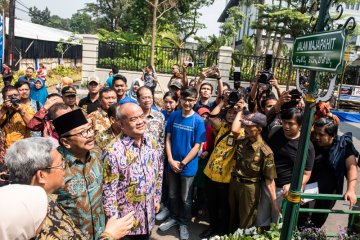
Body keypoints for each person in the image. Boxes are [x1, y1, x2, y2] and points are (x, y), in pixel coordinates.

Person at [6, 137, 135, 240]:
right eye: (61, 164)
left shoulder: (37, 201)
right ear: (41, 175)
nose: (65, 169)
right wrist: (110, 235)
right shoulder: (37, 217)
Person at [102, 103, 163, 240]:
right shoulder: (113, 151)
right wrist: (113, 220)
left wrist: (157, 198)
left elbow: (159, 171)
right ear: (121, 124)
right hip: (127, 224)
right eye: (133, 119)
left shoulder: (152, 141)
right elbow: (108, 190)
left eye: (141, 116)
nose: (140, 122)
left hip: (149, 214)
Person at [160, 87, 206, 240]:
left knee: (185, 198)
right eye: (185, 99)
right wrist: (171, 160)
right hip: (172, 164)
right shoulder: (174, 116)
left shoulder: (198, 121)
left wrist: (182, 163)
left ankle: (184, 223)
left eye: (191, 100)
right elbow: (167, 139)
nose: (187, 102)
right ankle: (173, 217)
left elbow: (197, 146)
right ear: (180, 100)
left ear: (195, 101)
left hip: (188, 167)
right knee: (172, 195)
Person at [256, 108, 315, 227]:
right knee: (261, 222)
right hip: (266, 184)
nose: (286, 126)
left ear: (300, 125)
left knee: (278, 225)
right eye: (284, 122)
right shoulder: (275, 132)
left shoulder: (306, 146)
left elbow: (306, 174)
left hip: (284, 192)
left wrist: (293, 184)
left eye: (291, 123)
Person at [52, 109, 106, 239]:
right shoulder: (53, 165)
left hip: (102, 233)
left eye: (89, 129)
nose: (90, 135)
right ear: (66, 142)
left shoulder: (97, 153)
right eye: (82, 133)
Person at [298, 117, 358, 228]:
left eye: (321, 135)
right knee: (302, 219)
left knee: (317, 222)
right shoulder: (311, 143)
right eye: (316, 133)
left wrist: (351, 190)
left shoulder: (343, 145)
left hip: (329, 192)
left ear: (333, 135)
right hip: (308, 190)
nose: (317, 137)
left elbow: (351, 168)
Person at [200, 99, 244, 238]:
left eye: (234, 113)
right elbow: (212, 117)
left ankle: (221, 232)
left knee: (224, 207)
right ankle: (212, 228)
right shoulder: (222, 126)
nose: (231, 115)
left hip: (225, 177)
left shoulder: (241, 131)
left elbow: (235, 129)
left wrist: (241, 110)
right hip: (210, 172)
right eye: (229, 112)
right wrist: (222, 102)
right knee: (211, 204)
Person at [229, 112, 279, 231]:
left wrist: (275, 203)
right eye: (244, 125)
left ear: (259, 129)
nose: (245, 128)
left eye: (249, 126)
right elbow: (234, 131)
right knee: (231, 216)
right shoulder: (242, 141)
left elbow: (269, 179)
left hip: (249, 188)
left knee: (246, 222)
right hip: (234, 183)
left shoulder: (265, 152)